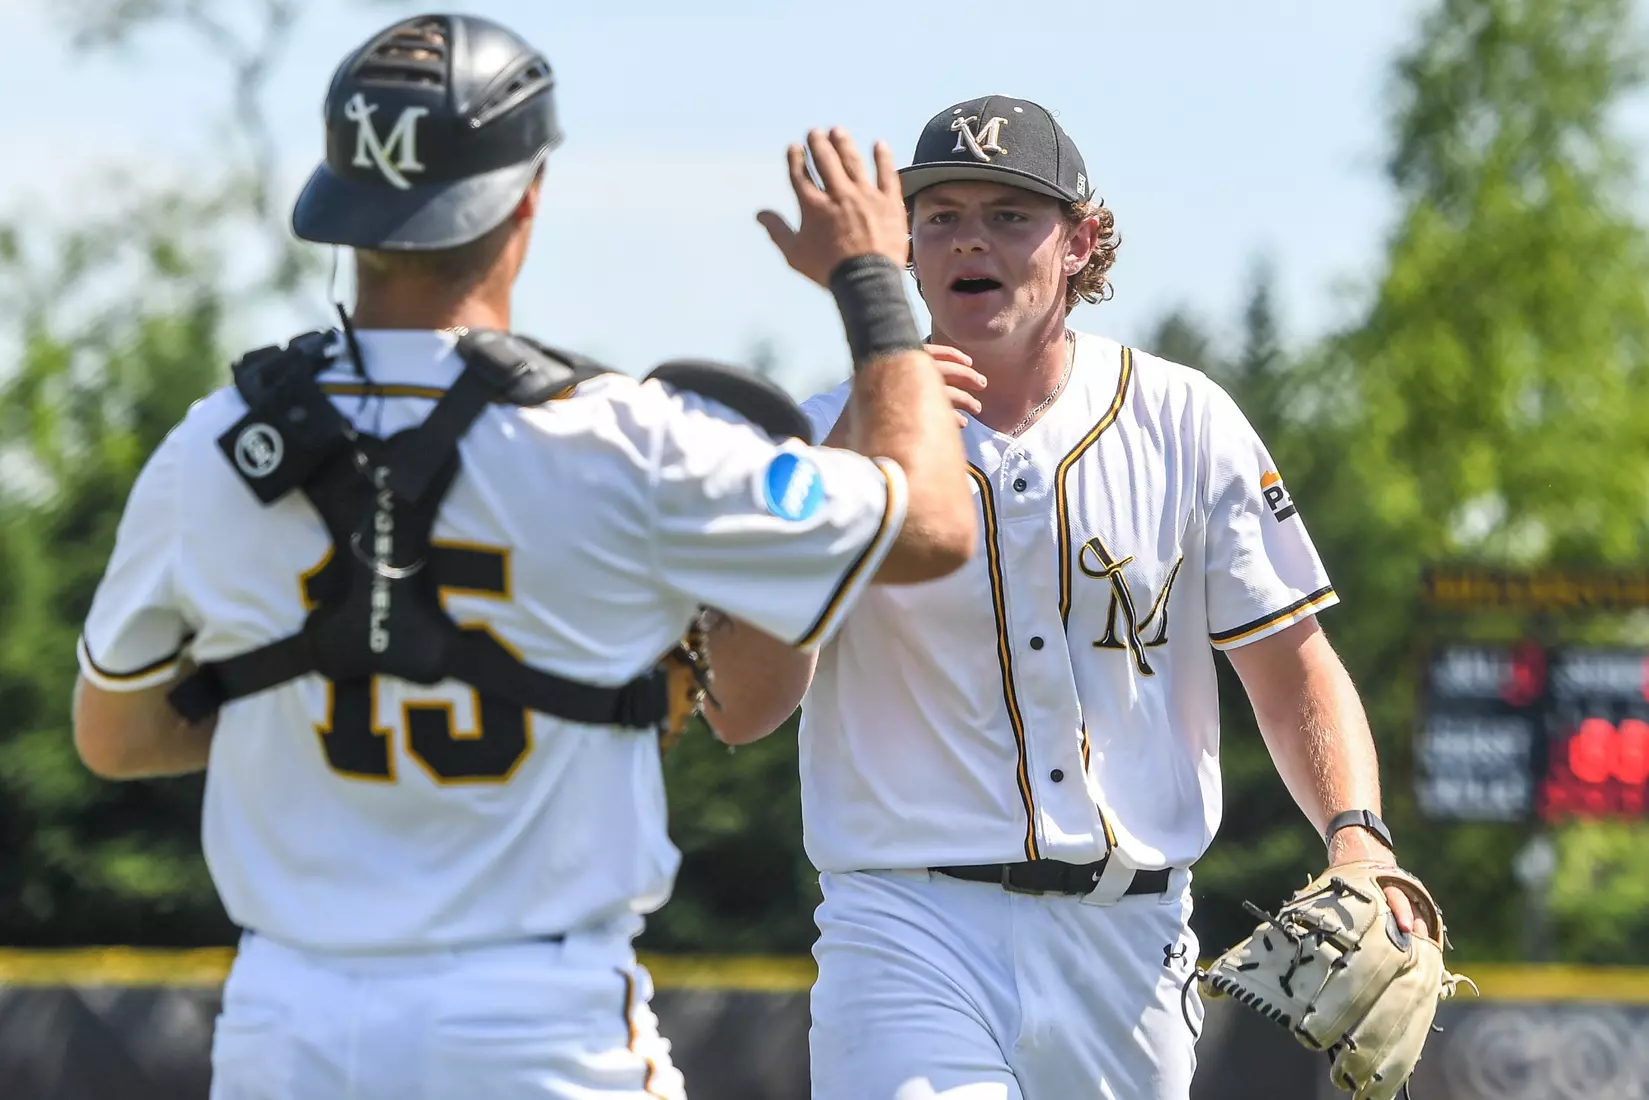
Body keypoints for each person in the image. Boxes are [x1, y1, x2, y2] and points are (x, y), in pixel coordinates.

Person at [69, 13, 975, 1100]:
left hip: (286, 1024)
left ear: (343, 199)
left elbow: (115, 735)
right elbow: (927, 527)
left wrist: (328, 682)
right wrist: (875, 281)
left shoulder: (210, 447)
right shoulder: (623, 442)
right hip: (537, 1030)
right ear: (526, 197)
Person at [704, 94, 1427, 1099]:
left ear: (1080, 240)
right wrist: (844, 480)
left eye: (1009, 214)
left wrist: (1355, 831)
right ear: (906, 247)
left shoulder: (1182, 419)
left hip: (1129, 949)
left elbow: (1289, 665)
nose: (970, 239)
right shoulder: (824, 435)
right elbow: (739, 704)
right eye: (942, 213)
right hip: (908, 929)